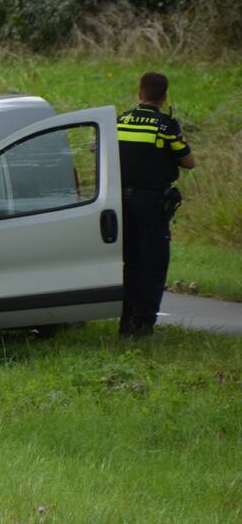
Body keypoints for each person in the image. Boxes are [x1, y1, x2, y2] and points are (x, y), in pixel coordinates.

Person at [117, 72, 196, 337]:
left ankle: (126, 321)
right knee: (153, 263)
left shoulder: (121, 120)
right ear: (164, 97)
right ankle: (144, 324)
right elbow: (188, 162)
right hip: (151, 203)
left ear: (140, 93)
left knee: (131, 262)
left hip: (122, 202)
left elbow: (99, 148)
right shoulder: (165, 125)